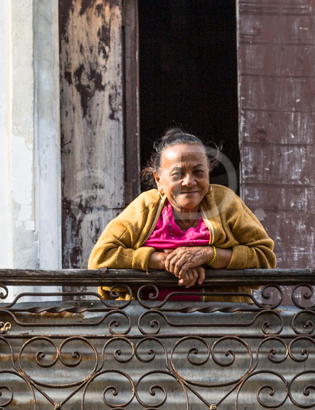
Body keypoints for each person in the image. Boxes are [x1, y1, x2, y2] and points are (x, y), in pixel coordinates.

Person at [88, 128, 276, 299]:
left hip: (220, 323)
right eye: (178, 174)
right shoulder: (146, 206)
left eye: (198, 172)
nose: (189, 181)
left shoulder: (225, 203)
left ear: (208, 174)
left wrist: (207, 255)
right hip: (145, 326)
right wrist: (164, 261)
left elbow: (264, 258)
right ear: (159, 180)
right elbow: (101, 258)